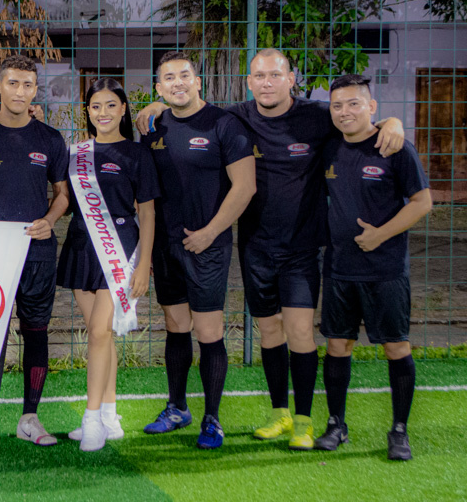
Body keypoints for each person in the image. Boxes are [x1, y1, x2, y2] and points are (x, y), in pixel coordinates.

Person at [135, 48, 404, 449]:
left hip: (297, 245)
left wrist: (392, 122)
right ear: (249, 82)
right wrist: (158, 104)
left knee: (298, 331)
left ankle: (300, 421)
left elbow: (355, 119)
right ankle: (270, 412)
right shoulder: (234, 116)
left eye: (275, 75)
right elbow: (186, 110)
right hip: (253, 245)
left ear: (291, 79)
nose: (267, 83)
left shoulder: (312, 117)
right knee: (263, 329)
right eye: (259, 76)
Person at [138, 51, 255, 449]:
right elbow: (146, 194)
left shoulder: (224, 124)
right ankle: (177, 407)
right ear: (159, 88)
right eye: (169, 78)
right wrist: (148, 249)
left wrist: (211, 232)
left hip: (208, 246)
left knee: (208, 331)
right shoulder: (153, 127)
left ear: (198, 81)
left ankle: (212, 418)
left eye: (184, 75)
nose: (178, 83)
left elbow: (245, 187)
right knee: (175, 325)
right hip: (166, 246)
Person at [0, 53, 70, 448]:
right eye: (13, 83)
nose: (20, 91)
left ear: (35, 90)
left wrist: (50, 219)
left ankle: (29, 418)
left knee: (36, 332)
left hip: (36, 252)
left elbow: (62, 194)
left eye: (27, 85)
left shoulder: (50, 139)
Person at [317, 74, 431, 461]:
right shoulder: (328, 147)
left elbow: (422, 202)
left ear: (372, 107)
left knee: (396, 346)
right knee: (337, 345)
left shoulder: (395, 147)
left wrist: (380, 235)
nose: (345, 112)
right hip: (339, 267)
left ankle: (399, 430)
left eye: (354, 103)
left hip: (385, 268)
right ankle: (336, 424)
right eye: (337, 105)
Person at [57, 78, 158, 451]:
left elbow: (147, 213)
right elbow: (63, 199)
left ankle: (91, 419)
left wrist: (144, 263)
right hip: (82, 245)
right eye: (96, 106)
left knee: (100, 332)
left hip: (120, 247)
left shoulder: (137, 153)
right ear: (87, 111)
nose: (103, 113)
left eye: (111, 105)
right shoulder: (74, 153)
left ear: (124, 109)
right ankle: (109, 417)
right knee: (100, 334)